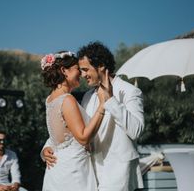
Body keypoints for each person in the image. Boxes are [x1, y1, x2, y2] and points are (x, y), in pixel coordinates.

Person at [43, 42, 145, 191]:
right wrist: (48, 147)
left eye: (85, 69)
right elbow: (72, 127)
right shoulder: (87, 96)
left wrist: (110, 100)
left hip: (117, 174)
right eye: (80, 70)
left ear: (101, 66)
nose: (83, 75)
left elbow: (136, 130)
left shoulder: (129, 91)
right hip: (89, 173)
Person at [40, 51, 112, 191]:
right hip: (74, 172)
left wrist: (44, 151)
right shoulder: (67, 100)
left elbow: (59, 136)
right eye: (77, 69)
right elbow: (83, 138)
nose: (81, 73)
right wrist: (103, 104)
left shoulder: (50, 99)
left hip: (57, 170)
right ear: (63, 71)